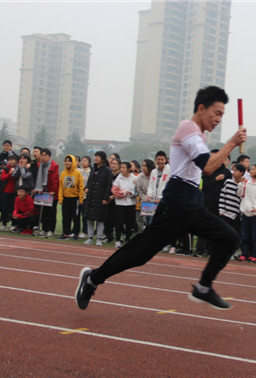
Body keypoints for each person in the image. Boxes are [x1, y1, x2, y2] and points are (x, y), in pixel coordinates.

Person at [75, 86, 247, 311]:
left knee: (229, 238)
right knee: (139, 253)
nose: (218, 119)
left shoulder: (200, 135)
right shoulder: (188, 129)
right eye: (216, 113)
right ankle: (92, 278)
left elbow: (203, 166)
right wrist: (232, 143)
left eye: (222, 115)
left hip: (193, 201)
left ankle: (204, 287)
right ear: (202, 108)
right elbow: (207, 167)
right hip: (176, 203)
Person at [195, 149, 231, 257]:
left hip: (219, 205)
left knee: (216, 228)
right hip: (205, 202)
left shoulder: (226, 173)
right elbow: (204, 186)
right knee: (202, 227)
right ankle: (199, 250)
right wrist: (215, 179)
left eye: (215, 157)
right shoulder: (206, 170)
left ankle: (212, 251)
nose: (212, 160)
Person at [83, 151, 113, 246]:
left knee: (100, 219)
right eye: (95, 156)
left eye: (98, 157)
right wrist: (86, 188)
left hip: (100, 198)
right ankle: (90, 237)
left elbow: (109, 185)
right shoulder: (93, 169)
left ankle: (99, 238)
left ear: (103, 159)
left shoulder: (107, 170)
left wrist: (105, 198)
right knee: (89, 219)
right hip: (91, 197)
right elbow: (89, 181)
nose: (96, 158)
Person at [218, 163, 245, 256]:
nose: (234, 172)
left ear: (241, 173)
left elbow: (241, 196)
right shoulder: (228, 182)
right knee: (224, 233)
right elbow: (222, 195)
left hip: (236, 214)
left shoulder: (244, 185)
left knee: (235, 234)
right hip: (225, 212)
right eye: (233, 170)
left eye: (236, 171)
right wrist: (221, 209)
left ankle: (233, 251)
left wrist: (241, 184)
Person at [33, 148, 59, 238]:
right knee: (43, 212)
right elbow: (37, 178)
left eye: (45, 155)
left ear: (49, 156)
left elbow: (54, 180)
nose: (43, 157)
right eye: (42, 155)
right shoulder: (39, 165)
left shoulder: (54, 166)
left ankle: (51, 230)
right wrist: (37, 188)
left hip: (51, 193)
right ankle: (44, 229)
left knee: (51, 213)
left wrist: (54, 191)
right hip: (42, 191)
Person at [111, 161, 138, 247]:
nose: (121, 169)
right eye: (121, 167)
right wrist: (124, 192)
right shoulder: (118, 178)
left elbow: (137, 191)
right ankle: (118, 240)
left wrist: (131, 193)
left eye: (123, 168)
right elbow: (114, 190)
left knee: (129, 222)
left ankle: (127, 239)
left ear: (129, 169)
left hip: (130, 203)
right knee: (119, 222)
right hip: (120, 203)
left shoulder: (134, 178)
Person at [58, 155, 85, 240]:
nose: (67, 162)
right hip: (66, 198)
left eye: (69, 161)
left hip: (75, 199)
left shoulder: (77, 173)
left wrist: (81, 198)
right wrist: (60, 198)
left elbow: (81, 186)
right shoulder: (63, 173)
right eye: (66, 161)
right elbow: (61, 187)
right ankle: (66, 233)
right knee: (65, 217)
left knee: (76, 217)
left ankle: (76, 233)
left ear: (73, 162)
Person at [0, 154, 18, 231]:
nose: (11, 161)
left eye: (12, 159)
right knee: (4, 208)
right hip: (5, 191)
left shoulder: (18, 168)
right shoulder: (6, 168)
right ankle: (4, 224)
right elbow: (3, 177)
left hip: (14, 191)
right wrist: (9, 174)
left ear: (16, 161)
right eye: (9, 160)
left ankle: (13, 224)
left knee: (13, 208)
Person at [136, 159, 154, 230]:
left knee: (152, 221)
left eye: (145, 166)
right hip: (145, 201)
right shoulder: (140, 177)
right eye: (142, 166)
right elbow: (139, 189)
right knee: (146, 220)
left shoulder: (154, 176)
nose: (143, 168)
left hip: (155, 200)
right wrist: (145, 198)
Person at [78, 156, 92, 238]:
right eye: (82, 160)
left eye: (85, 160)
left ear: (89, 163)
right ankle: (76, 231)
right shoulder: (78, 171)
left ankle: (85, 231)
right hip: (78, 195)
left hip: (86, 196)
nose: (83, 162)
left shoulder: (91, 172)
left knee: (84, 215)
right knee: (77, 215)